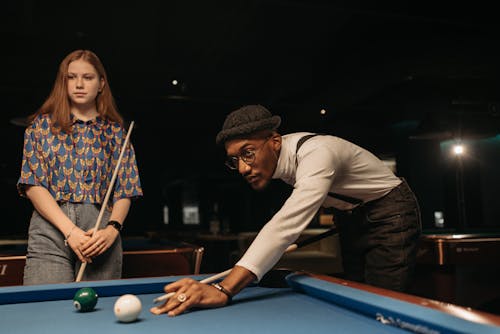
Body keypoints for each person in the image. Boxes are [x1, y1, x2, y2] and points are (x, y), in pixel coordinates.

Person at [150, 104, 421, 317]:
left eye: (248, 152)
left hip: (390, 211)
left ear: (275, 141)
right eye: (235, 160)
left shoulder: (317, 153)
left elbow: (285, 224)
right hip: (353, 217)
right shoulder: (284, 163)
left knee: (381, 302)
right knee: (358, 297)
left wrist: (224, 288)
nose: (243, 167)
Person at [17, 50, 143, 285]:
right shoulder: (40, 127)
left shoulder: (116, 133)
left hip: (100, 232)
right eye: (71, 77)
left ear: (101, 83)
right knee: (48, 311)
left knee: (97, 314)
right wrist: (71, 232)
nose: (79, 84)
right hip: (51, 229)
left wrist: (111, 230)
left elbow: (126, 189)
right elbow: (33, 186)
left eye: (88, 77)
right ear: (62, 83)